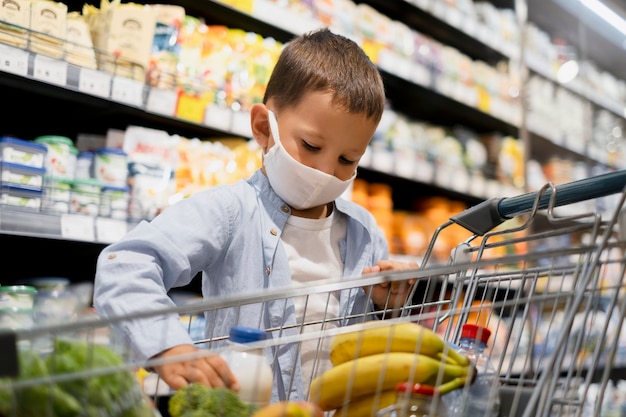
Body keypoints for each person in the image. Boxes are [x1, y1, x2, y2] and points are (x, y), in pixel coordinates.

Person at [93, 27, 418, 402]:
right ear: (265, 128)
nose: (327, 171)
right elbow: (126, 264)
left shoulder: (365, 231)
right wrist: (168, 347)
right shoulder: (230, 210)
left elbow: (368, 347)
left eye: (348, 160)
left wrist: (386, 304)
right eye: (311, 146)